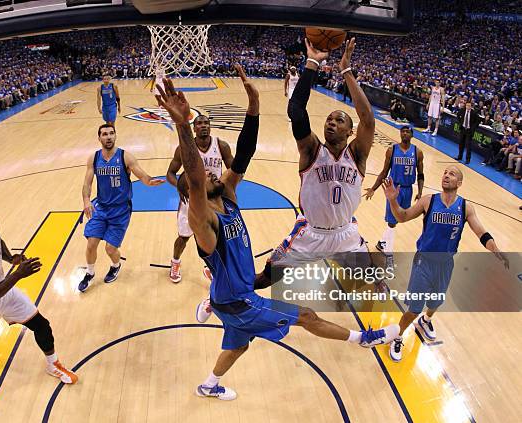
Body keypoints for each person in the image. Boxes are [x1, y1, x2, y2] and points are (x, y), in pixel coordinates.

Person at [155, 67, 399, 401]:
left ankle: (209, 384)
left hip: (235, 290)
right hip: (239, 302)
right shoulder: (203, 219)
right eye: (205, 180)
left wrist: (253, 109)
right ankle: (363, 338)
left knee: (238, 345)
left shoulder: (226, 196)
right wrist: (182, 124)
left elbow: (243, 156)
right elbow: (195, 177)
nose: (216, 175)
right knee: (306, 316)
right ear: (192, 195)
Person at [248, 37, 387, 315]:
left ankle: (355, 296)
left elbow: (368, 119)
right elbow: (296, 111)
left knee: (376, 276)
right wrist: (311, 62)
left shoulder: (357, 154)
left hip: (346, 233)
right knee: (267, 277)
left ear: (350, 131)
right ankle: (231, 294)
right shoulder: (311, 150)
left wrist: (346, 70)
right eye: (329, 119)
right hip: (310, 234)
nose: (331, 123)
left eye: (339, 121)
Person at [382, 167, 509, 362]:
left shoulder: (466, 207)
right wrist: (392, 200)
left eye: (452, 174)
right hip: (424, 261)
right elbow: (403, 217)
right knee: (414, 307)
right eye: (445, 172)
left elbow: (481, 232)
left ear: (459, 183)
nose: (446, 175)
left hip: (446, 263)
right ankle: (397, 337)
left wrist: (496, 250)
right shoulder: (428, 201)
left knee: (435, 302)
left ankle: (426, 320)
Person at [0, 195, 78, 384]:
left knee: (41, 325)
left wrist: (11, 258)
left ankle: (53, 364)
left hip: (3, 289)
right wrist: (18, 274)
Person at [78, 124, 164, 292]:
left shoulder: (125, 156)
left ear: (115, 135)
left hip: (120, 210)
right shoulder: (94, 158)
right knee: (91, 244)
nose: (108, 137)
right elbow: (87, 183)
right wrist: (86, 200)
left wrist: (149, 181)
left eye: (111, 133)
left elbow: (141, 175)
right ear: (99, 138)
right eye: (104, 134)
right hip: (101, 208)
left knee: (110, 248)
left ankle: (116, 265)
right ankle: (90, 273)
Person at [165, 115, 233, 283]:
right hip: (191, 200)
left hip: (214, 201)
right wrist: (180, 187)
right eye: (200, 123)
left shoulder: (221, 146)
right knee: (184, 237)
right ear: (194, 129)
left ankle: (211, 268)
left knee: (217, 238)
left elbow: (234, 170)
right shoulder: (184, 149)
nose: (204, 126)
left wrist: (224, 187)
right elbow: (170, 174)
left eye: (207, 123)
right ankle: (175, 261)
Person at [364, 126, 424, 266]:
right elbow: (384, 171)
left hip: (407, 190)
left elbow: (421, 175)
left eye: (407, 131)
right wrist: (374, 188)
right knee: (392, 222)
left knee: (398, 220)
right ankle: (389, 255)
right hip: (393, 189)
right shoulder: (392, 150)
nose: (404, 133)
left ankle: (381, 243)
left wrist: (420, 192)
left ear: (412, 135)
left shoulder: (417, 152)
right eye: (402, 131)